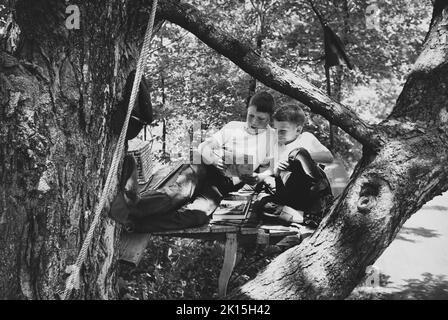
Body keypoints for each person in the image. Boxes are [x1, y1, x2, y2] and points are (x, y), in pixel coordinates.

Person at [109, 91, 277, 232]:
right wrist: (213, 160)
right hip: (204, 167)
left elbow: (271, 167)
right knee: (180, 193)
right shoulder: (234, 126)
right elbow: (205, 147)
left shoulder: (272, 138)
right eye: (251, 116)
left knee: (199, 216)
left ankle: (134, 223)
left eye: (261, 119)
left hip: (222, 184)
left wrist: (259, 177)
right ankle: (131, 204)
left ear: (270, 118)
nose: (254, 122)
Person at [256, 103, 334, 228]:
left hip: (311, 190)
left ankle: (321, 202)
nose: (277, 135)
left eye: (282, 131)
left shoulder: (306, 138)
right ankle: (307, 217)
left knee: (298, 153)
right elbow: (271, 175)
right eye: (275, 130)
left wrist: (297, 158)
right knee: (261, 206)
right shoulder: (275, 147)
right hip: (290, 195)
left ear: (298, 130)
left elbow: (328, 157)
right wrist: (277, 170)